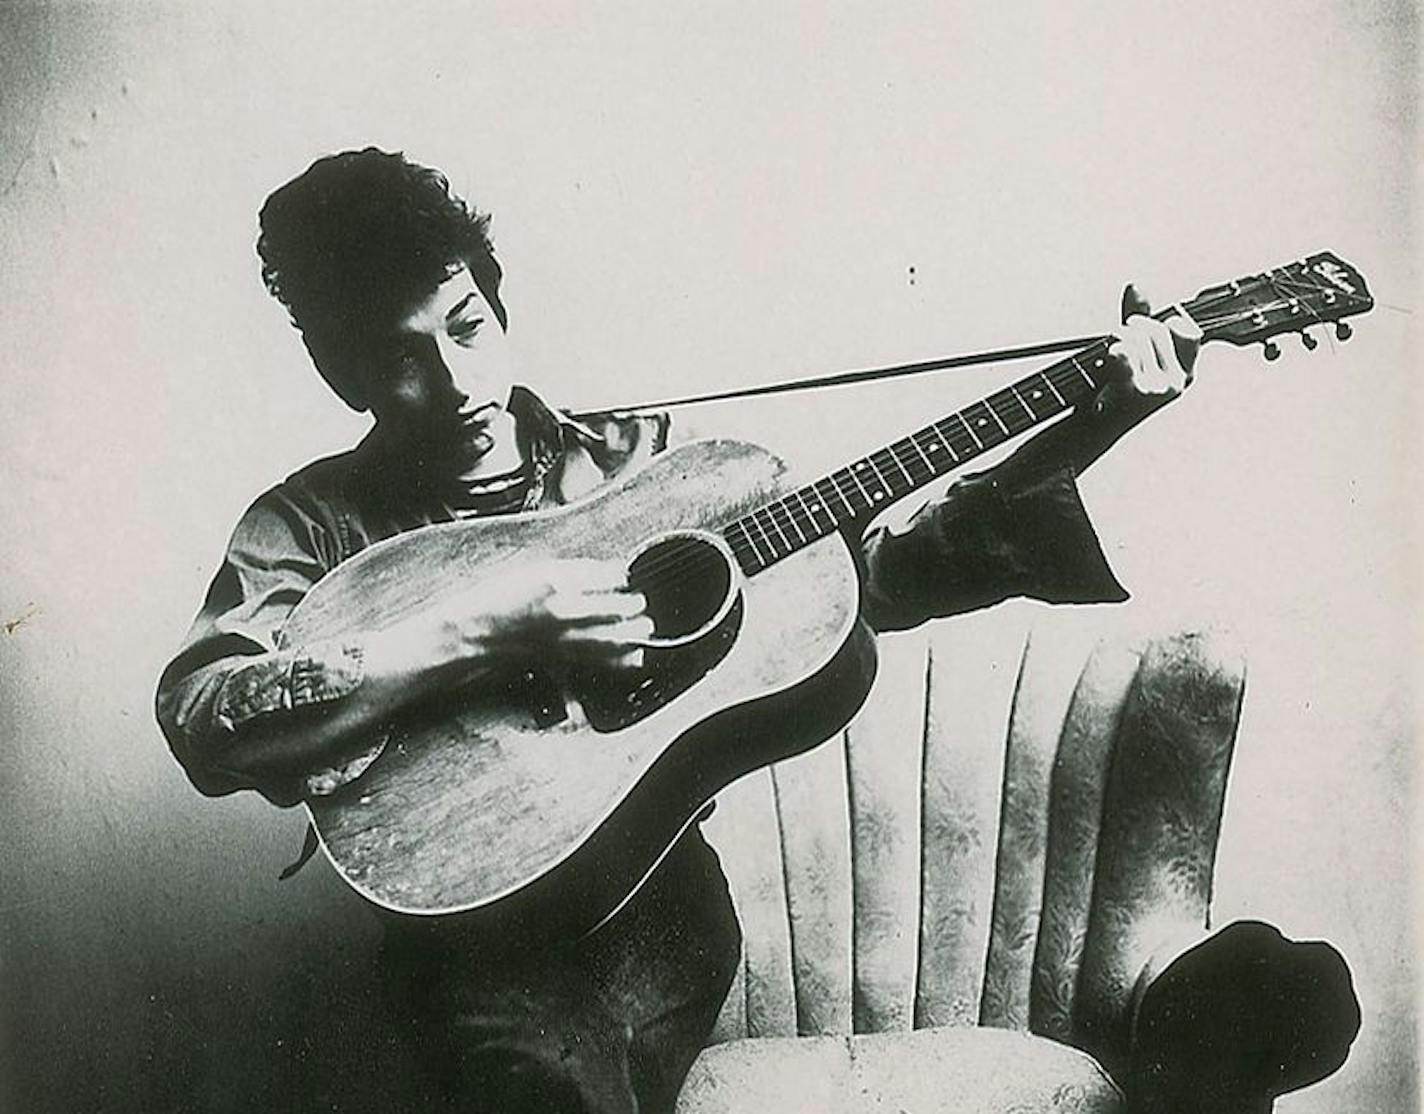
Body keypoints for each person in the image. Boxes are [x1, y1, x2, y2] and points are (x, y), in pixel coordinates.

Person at [155, 147, 1201, 1114]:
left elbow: (879, 573)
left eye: (467, 325)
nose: (459, 380)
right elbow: (208, 719)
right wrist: (483, 630)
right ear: (338, 370)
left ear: (496, 301)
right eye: (400, 355)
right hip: (468, 941)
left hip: (649, 911)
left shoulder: (649, 472)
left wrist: (1093, 421)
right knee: (530, 1074)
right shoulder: (309, 523)